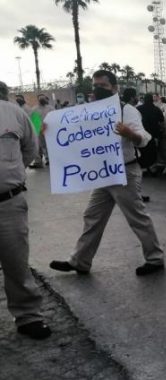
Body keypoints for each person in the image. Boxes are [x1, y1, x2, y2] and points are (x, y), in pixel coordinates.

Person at [49, 70, 165, 277]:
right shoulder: (90, 111)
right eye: (95, 85)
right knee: (92, 216)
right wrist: (48, 131)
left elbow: (145, 139)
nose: (97, 89)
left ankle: (155, 258)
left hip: (124, 172)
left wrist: (130, 134)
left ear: (114, 87)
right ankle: (80, 261)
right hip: (102, 173)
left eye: (102, 85)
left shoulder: (126, 110)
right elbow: (74, 135)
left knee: (136, 217)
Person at [0, 80, 51, 340]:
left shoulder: (14, 114)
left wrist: (10, 174)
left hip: (8, 203)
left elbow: (30, 149)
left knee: (16, 263)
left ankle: (28, 317)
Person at [136, 92, 165, 175]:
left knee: (143, 151)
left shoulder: (138, 109)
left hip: (142, 134)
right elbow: (162, 122)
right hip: (154, 135)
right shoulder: (156, 109)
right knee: (153, 153)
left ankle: (144, 168)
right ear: (152, 100)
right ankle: (152, 168)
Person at [29, 93, 54, 168]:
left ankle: (50, 159)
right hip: (40, 131)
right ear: (38, 100)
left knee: (49, 146)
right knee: (40, 146)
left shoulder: (50, 108)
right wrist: (39, 130)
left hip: (50, 130)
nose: (42, 99)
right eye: (40, 98)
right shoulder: (34, 109)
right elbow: (34, 121)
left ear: (46, 99)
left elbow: (54, 119)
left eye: (43, 98)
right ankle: (40, 161)